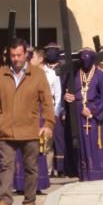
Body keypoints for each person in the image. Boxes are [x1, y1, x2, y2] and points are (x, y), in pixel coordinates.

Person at [0, 39, 54, 205]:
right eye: (13, 55)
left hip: (30, 129)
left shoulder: (37, 75)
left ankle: (29, 200)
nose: (16, 59)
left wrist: (47, 124)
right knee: (5, 166)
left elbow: (47, 102)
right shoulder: (0, 74)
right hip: (6, 130)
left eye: (19, 55)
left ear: (26, 55)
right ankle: (5, 202)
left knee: (31, 167)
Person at [63, 48, 103, 182]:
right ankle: (83, 173)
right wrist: (67, 97)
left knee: (94, 144)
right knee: (81, 145)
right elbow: (66, 93)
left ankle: (96, 173)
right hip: (78, 113)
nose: (85, 60)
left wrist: (92, 111)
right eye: (83, 58)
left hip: (93, 116)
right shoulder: (75, 74)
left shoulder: (100, 75)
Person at [40, 44, 66, 176]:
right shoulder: (39, 71)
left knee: (56, 139)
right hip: (38, 109)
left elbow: (58, 94)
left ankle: (58, 168)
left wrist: (56, 111)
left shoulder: (57, 71)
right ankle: (45, 168)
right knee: (43, 140)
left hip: (53, 107)